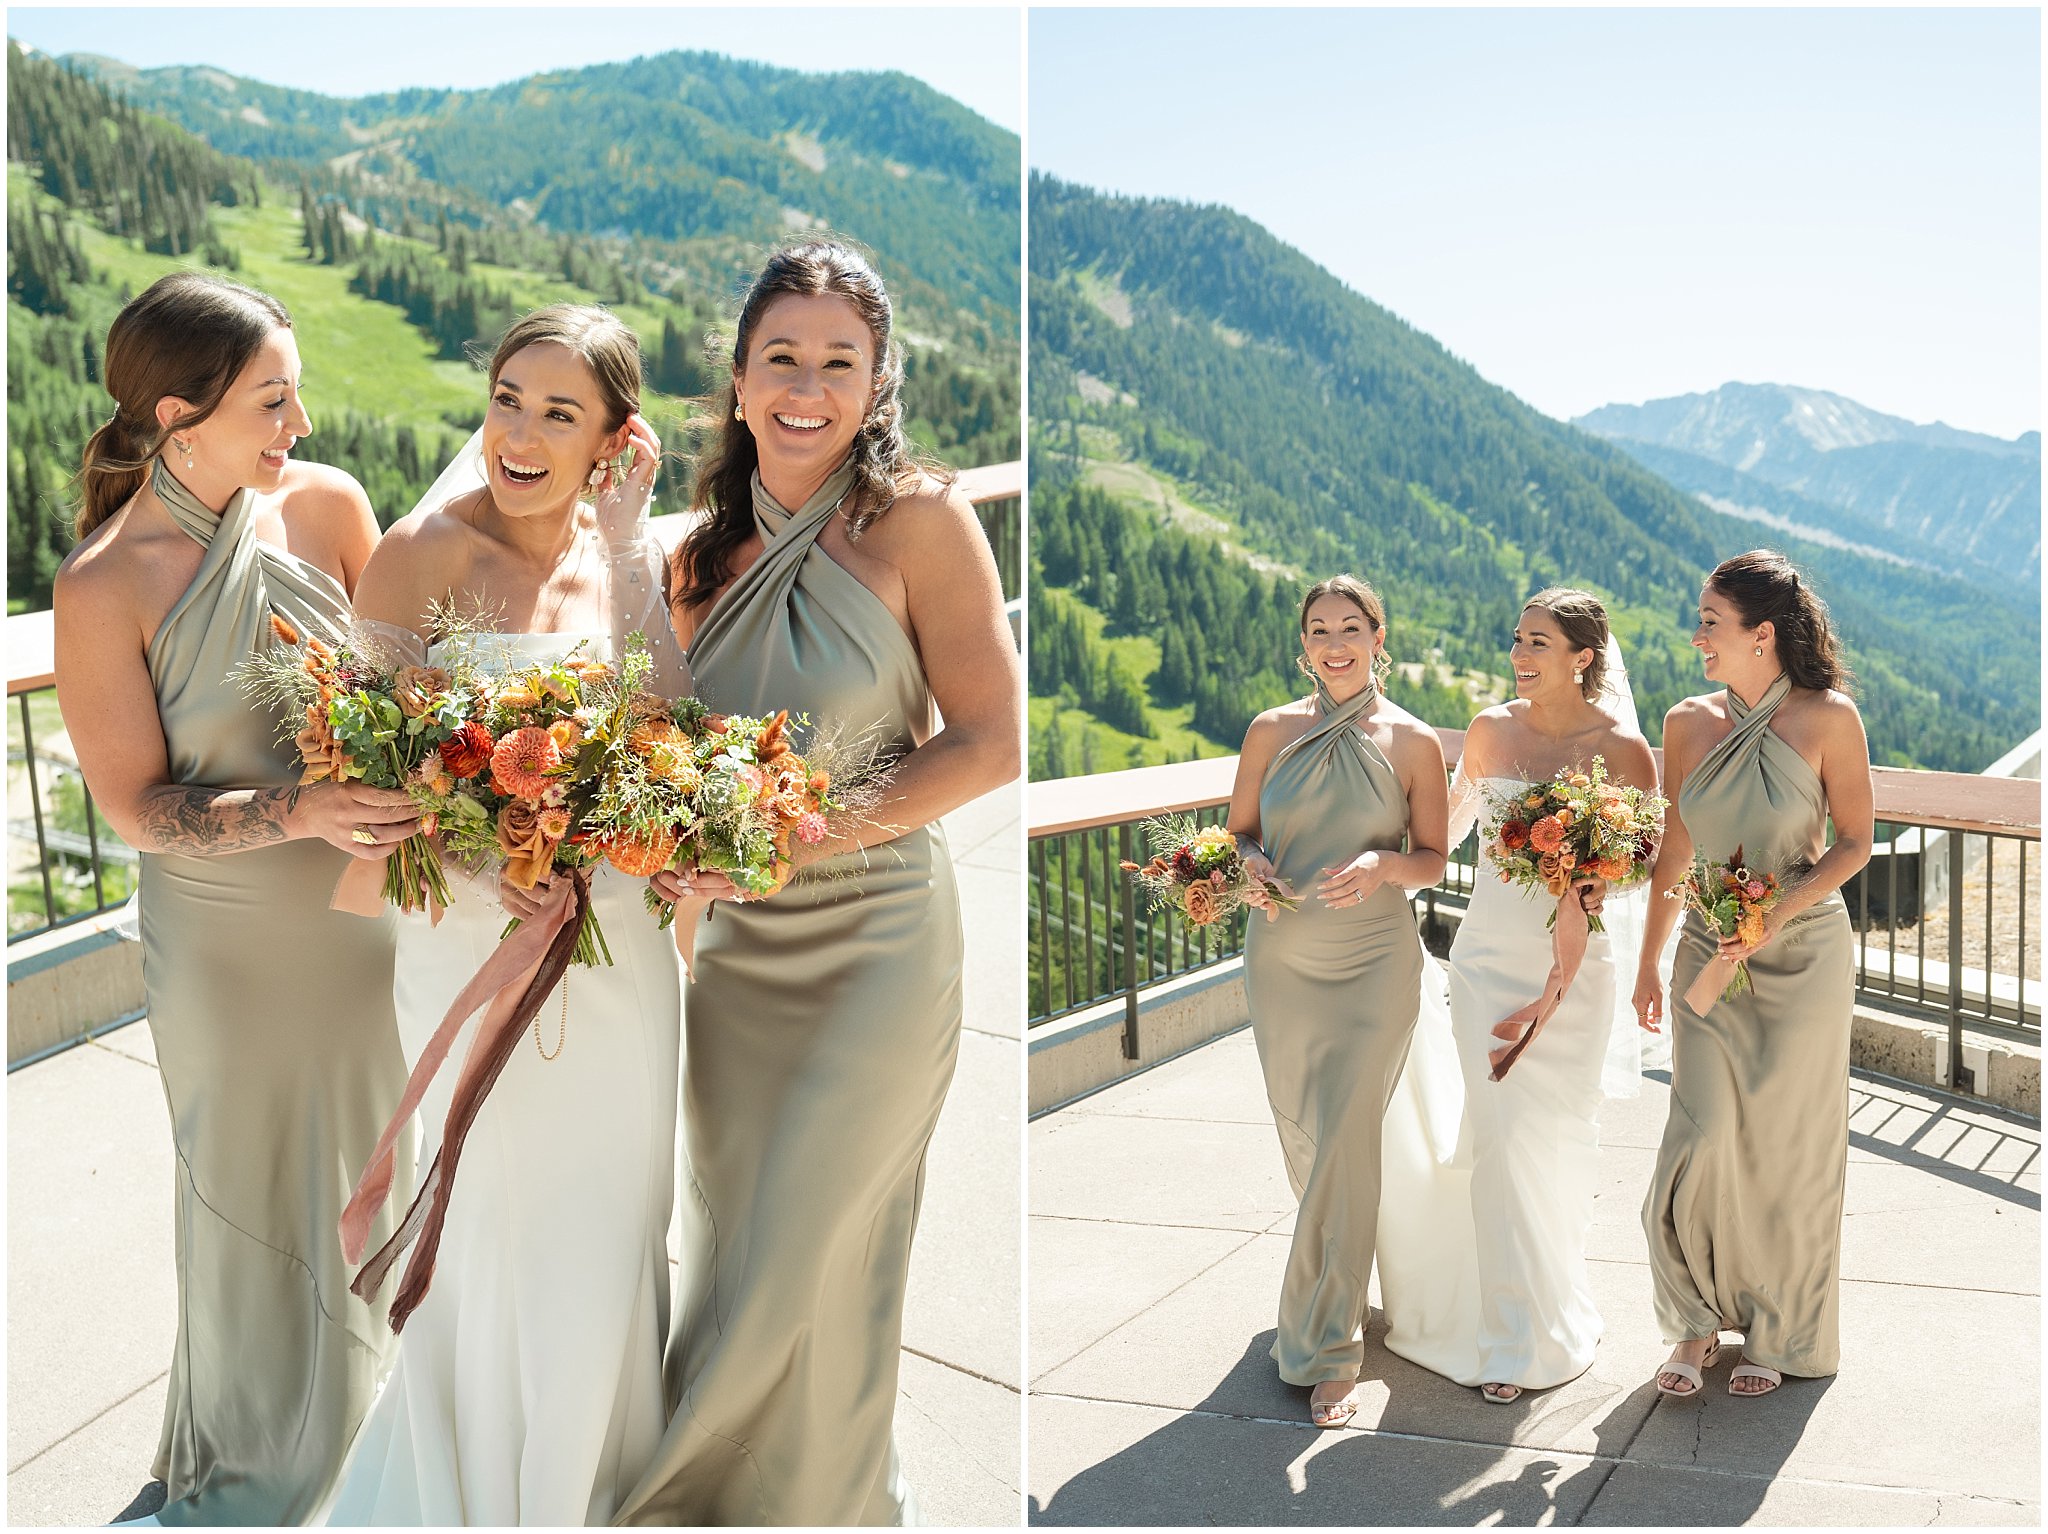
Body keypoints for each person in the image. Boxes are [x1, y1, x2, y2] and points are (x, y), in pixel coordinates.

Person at [617, 239, 1020, 1525]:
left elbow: (989, 744)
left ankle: (751, 1503)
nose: (806, 386)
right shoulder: (692, 561)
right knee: (745, 1241)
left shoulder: (921, 522)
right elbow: (670, 746)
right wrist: (625, 549)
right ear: (735, 381)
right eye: (779, 358)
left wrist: (801, 838)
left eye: (837, 362)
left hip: (881, 944)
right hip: (735, 957)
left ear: (876, 381)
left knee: (817, 1237)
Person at [53, 271, 414, 1524]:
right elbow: (137, 808)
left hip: (368, 920)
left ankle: (377, 1438)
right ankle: (260, 1463)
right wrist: (293, 812)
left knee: (380, 1171)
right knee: (251, 1190)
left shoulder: (329, 509)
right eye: (272, 400)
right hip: (226, 944)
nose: (299, 427)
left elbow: (407, 684)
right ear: (175, 415)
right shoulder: (105, 583)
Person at [320, 304, 687, 1524]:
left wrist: (632, 544)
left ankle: (598, 1475)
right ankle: (477, 1485)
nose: (520, 433)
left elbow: (666, 731)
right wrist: (487, 868)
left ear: (613, 441)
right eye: (506, 398)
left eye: (559, 412)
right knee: (493, 1202)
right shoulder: (420, 552)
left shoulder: (618, 556)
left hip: (617, 940)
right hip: (465, 928)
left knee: (608, 1203)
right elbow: (363, 764)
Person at [1635, 550, 1872, 1400]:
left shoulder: (1828, 718)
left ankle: (1781, 1331)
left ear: (1761, 635)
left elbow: (1852, 844)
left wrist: (1774, 913)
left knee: (1788, 1151)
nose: (1695, 633)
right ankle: (1694, 1324)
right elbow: (1675, 850)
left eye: (1710, 621)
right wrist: (1650, 961)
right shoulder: (1686, 722)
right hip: (1707, 950)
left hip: (1803, 954)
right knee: (1698, 1139)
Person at [1227, 575, 1451, 1430]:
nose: (1334, 642)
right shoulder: (1270, 731)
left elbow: (1431, 856)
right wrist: (1246, 866)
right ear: (1302, 644)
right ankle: (1336, 1283)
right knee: (1310, 1137)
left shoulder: (1414, 741)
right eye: (1319, 628)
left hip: (1373, 964)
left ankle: (1329, 1346)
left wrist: (1383, 867)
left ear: (1378, 637)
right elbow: (1239, 828)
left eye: (1349, 627)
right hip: (1283, 959)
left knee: (1346, 1140)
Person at [1437, 590, 1658, 1403]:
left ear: (1582, 657)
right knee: (1500, 1137)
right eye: (1517, 639)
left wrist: (1586, 878)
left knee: (1558, 1135)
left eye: (1537, 641)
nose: (1519, 655)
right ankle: (1510, 1336)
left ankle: (1557, 1303)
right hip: (1488, 956)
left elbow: (1640, 863)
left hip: (1577, 974)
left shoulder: (1624, 749)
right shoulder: (1492, 729)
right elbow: (1453, 822)